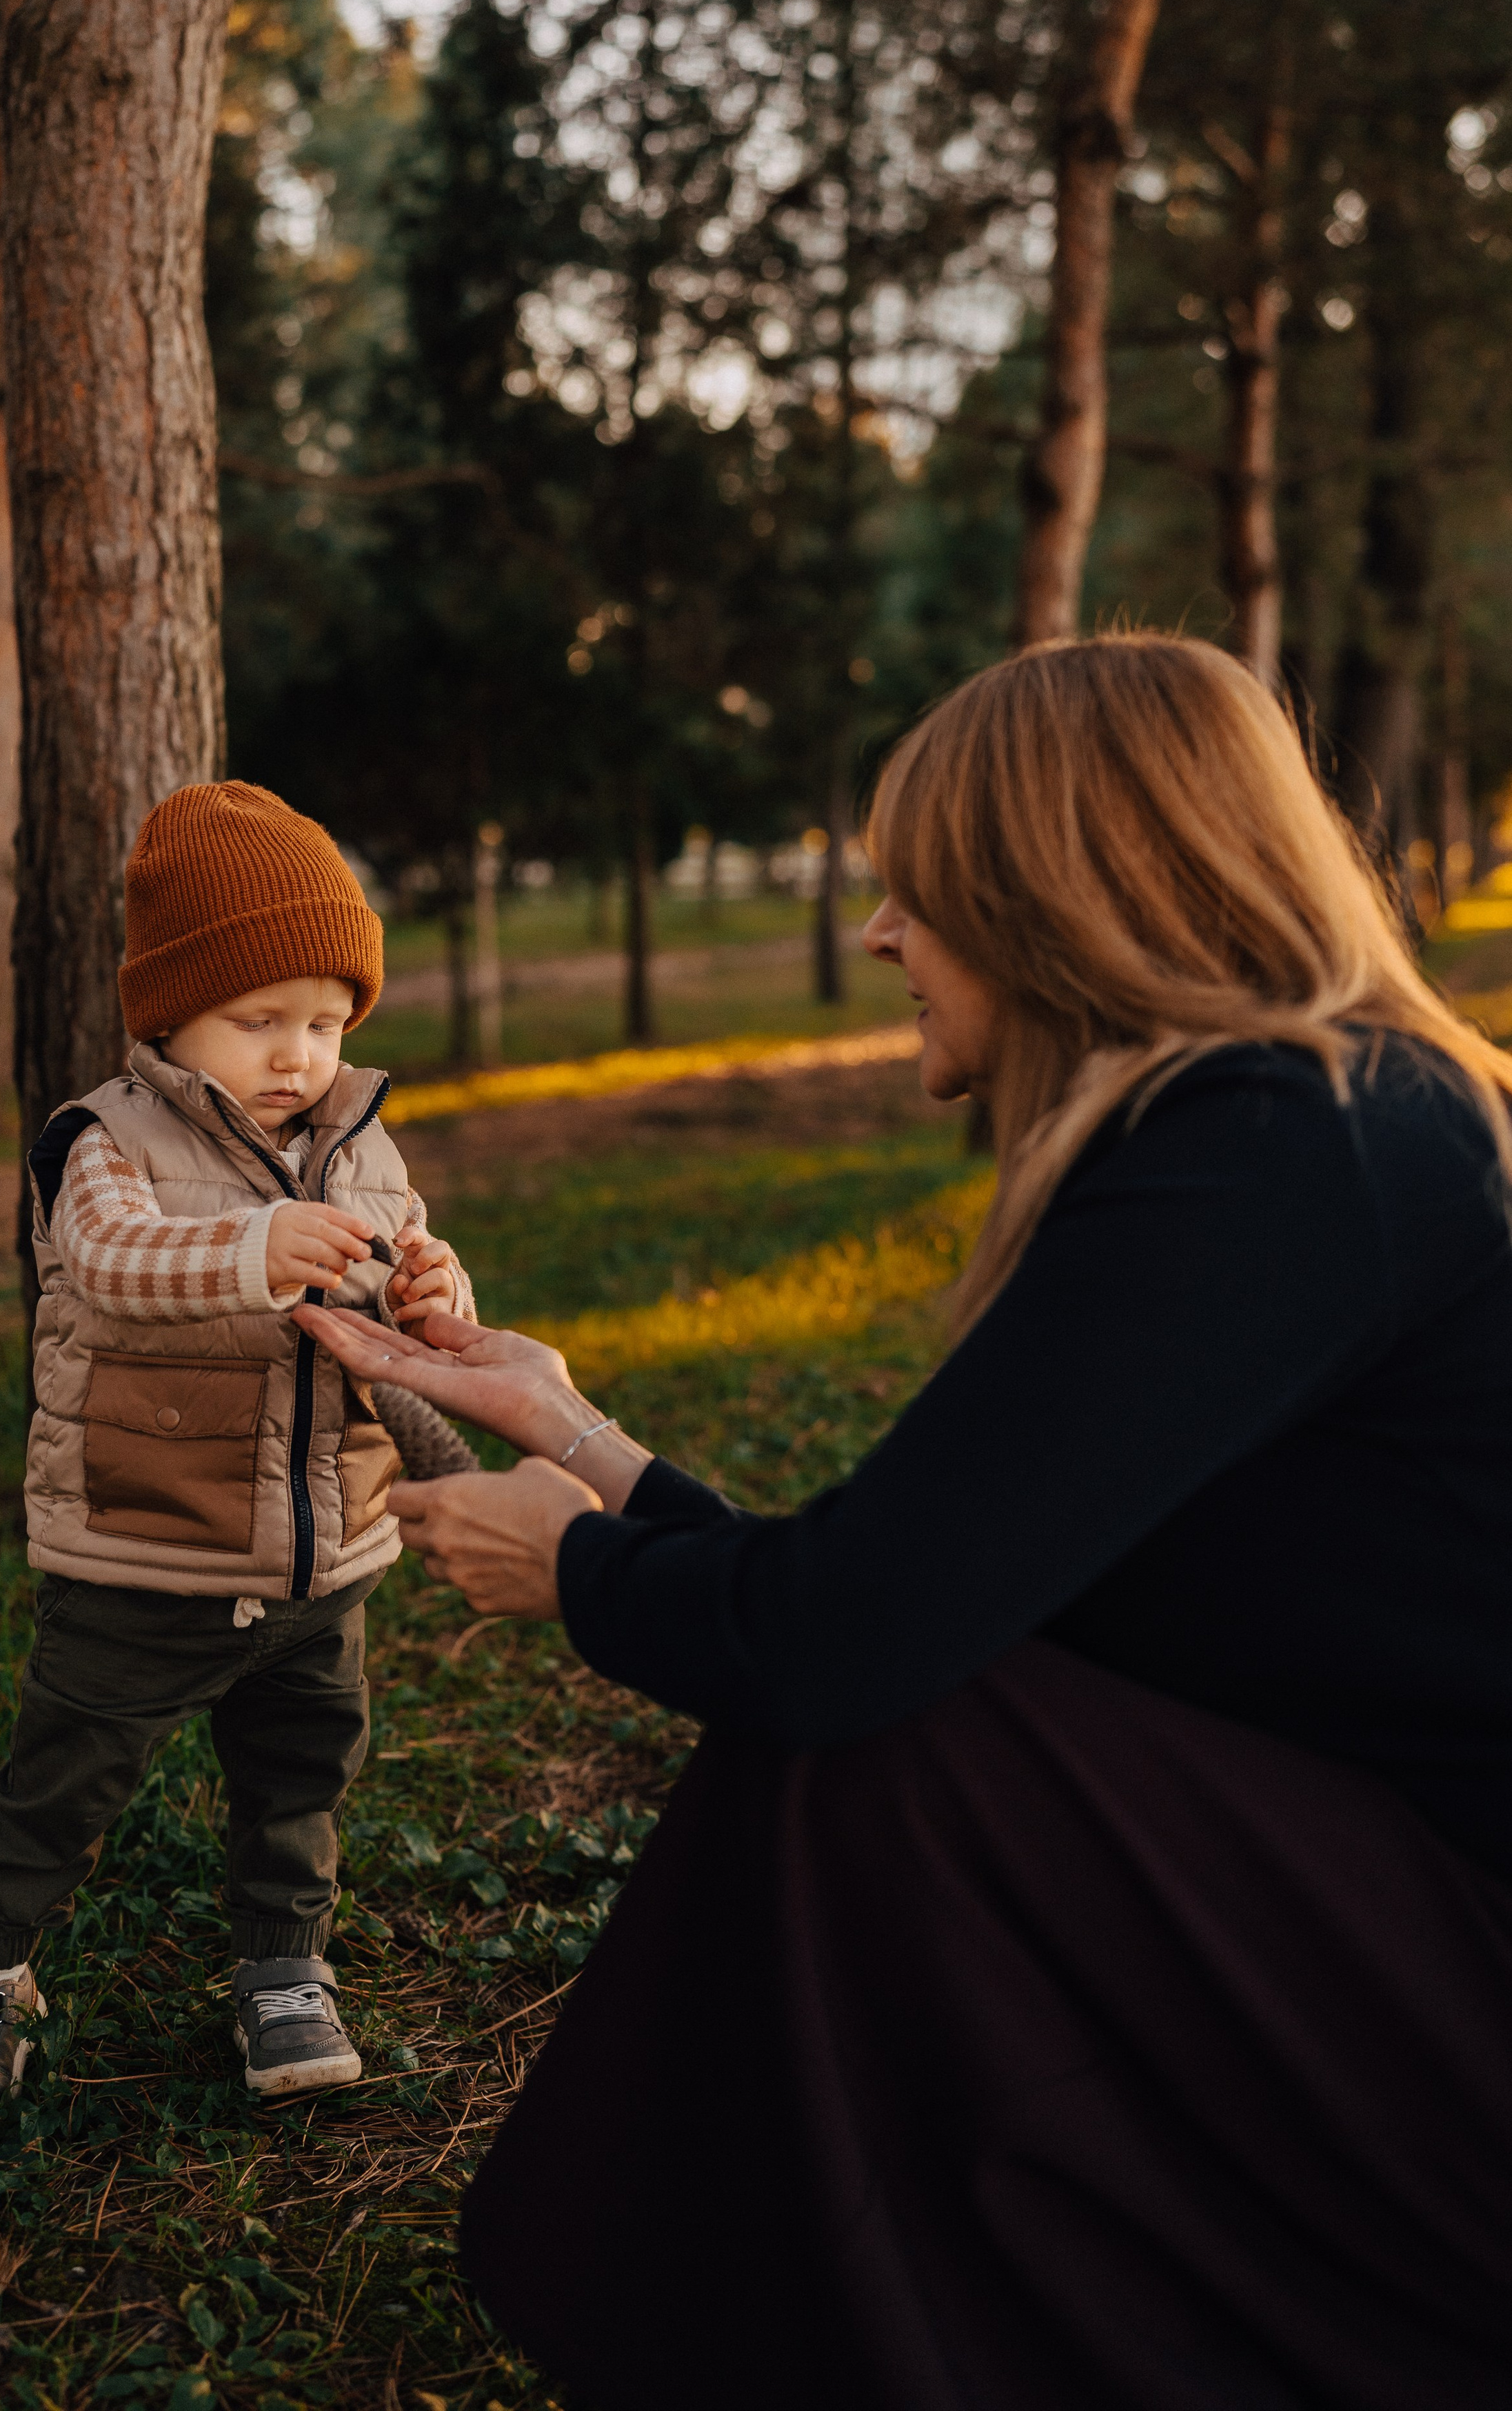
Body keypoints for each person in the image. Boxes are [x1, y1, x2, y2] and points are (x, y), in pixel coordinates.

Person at [299, 635, 1512, 2411]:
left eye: (917, 889)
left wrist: (570, 1565)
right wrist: (576, 1435)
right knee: (901, 1717)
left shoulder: (1291, 1140)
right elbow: (928, 1592)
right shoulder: (1312, 1118)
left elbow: (845, 1646)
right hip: (1368, 1886)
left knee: (868, 1752)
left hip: (1454, 1992)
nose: (878, 936)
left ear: (1053, 894)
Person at [0, 781, 478, 2126]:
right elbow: (109, 1264)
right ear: (167, 1015)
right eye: (258, 1020)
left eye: (324, 1023)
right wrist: (254, 1247)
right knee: (64, 1778)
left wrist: (435, 1291)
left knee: (302, 1772)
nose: (297, 1055)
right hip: (145, 1543)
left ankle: (283, 1965)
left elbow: (404, 1286)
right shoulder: (107, 1140)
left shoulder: (358, 1143)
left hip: (321, 1557)